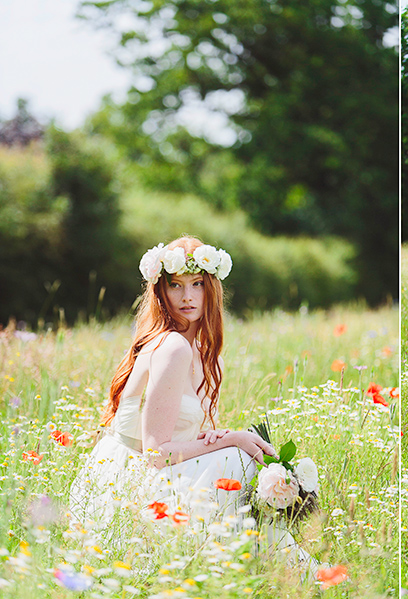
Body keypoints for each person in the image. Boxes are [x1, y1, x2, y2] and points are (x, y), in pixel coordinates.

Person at [69, 236, 317, 567]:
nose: (187, 297)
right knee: (236, 459)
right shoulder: (172, 347)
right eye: (176, 286)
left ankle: (267, 568)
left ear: (210, 289)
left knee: (237, 457)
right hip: (128, 484)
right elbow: (156, 453)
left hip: (152, 472)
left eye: (197, 284)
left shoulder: (203, 355)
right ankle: (278, 570)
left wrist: (211, 439)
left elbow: (172, 437)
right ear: (161, 291)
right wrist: (231, 440)